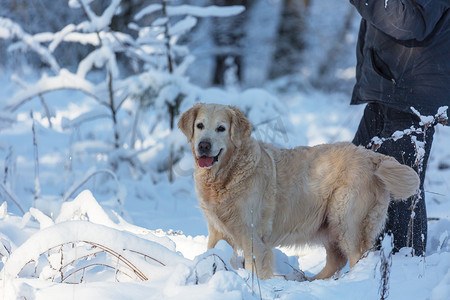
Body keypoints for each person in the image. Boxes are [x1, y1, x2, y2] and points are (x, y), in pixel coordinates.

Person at [349, 0, 450, 256]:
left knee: (400, 191)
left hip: (410, 94)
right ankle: (368, 264)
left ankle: (403, 270)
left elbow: (408, 22)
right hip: (390, 87)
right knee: (356, 178)